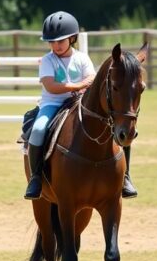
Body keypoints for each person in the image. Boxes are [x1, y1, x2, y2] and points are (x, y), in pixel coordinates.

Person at [23, 11, 139, 199]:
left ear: (72, 38)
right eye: (51, 42)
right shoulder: (47, 60)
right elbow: (51, 86)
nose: (55, 46)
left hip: (80, 104)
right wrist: (79, 85)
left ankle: (125, 177)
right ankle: (36, 178)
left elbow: (92, 79)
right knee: (37, 129)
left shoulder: (82, 58)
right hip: (53, 103)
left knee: (116, 128)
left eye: (60, 41)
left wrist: (82, 87)